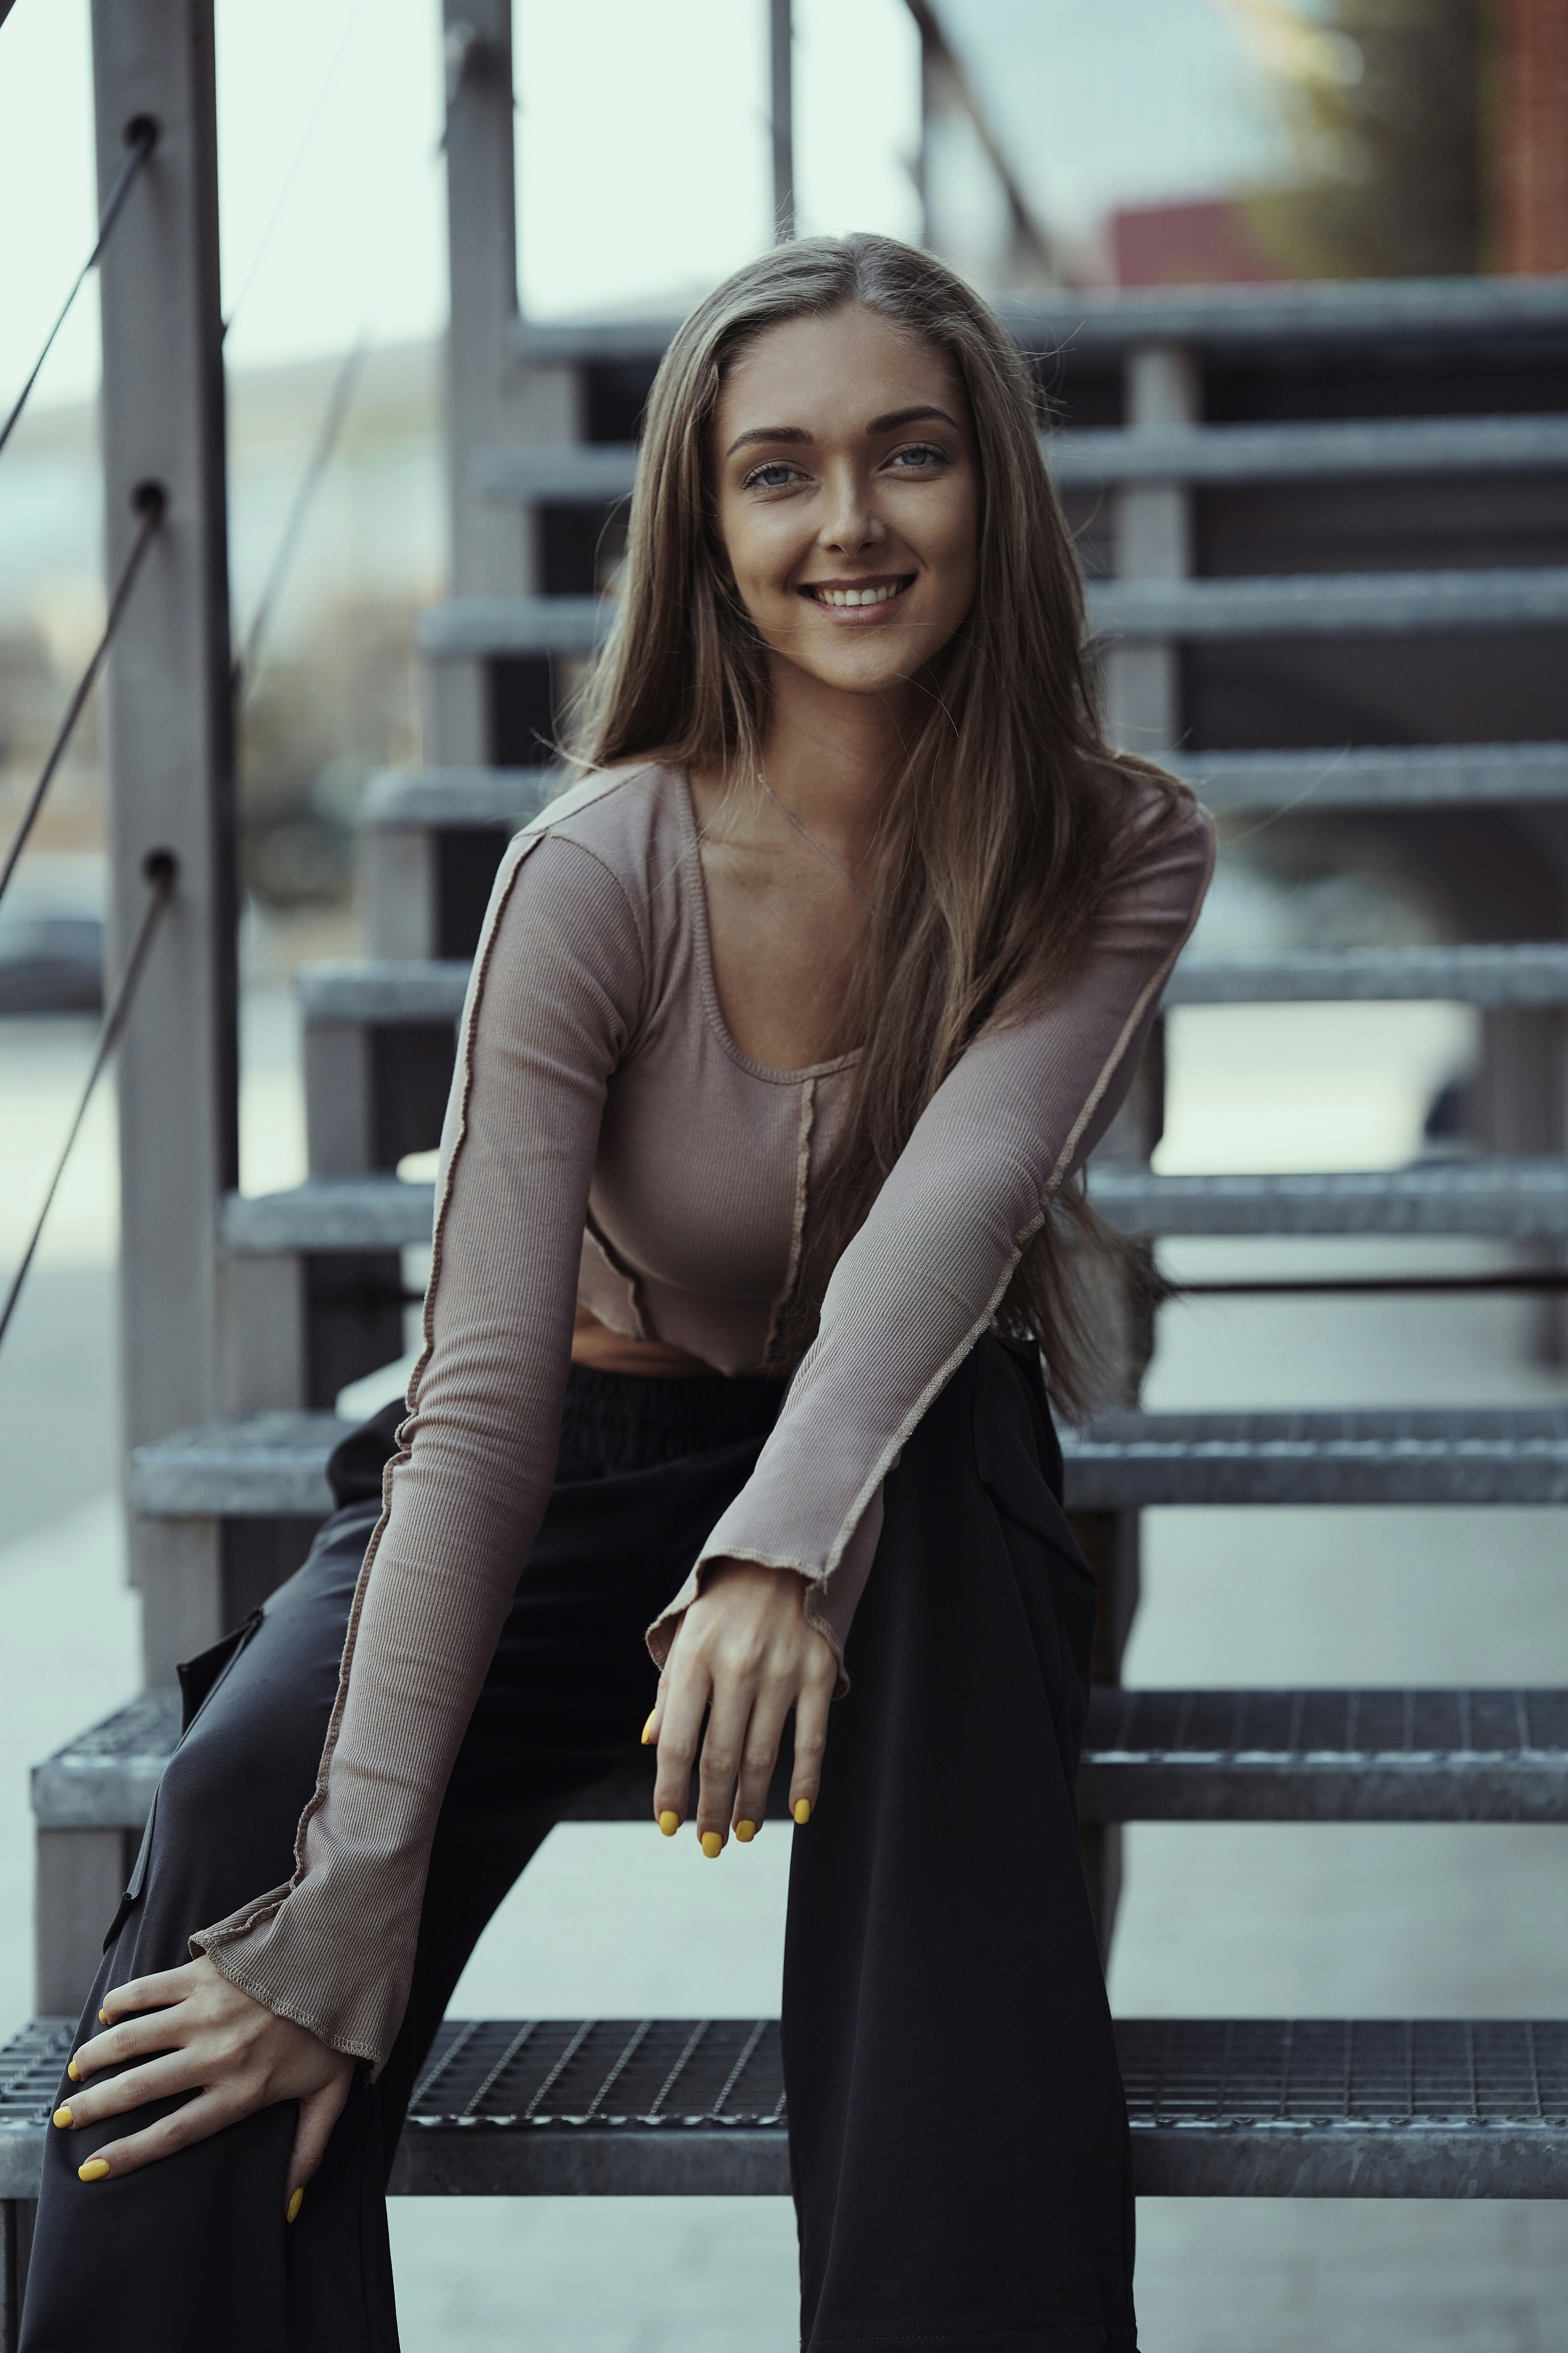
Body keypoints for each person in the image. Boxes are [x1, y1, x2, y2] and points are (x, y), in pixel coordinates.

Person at [24, 233, 1212, 2352]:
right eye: (781, 473)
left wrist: (778, 1548)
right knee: (244, 1826)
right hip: (574, 1448)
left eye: (908, 455)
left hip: (910, 1452)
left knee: (944, 1616)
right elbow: (473, 1399)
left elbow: (950, 1223)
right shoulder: (600, 866)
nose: (848, 523)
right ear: (709, 524)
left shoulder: (1111, 846)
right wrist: (361, 1888)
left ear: (994, 491)